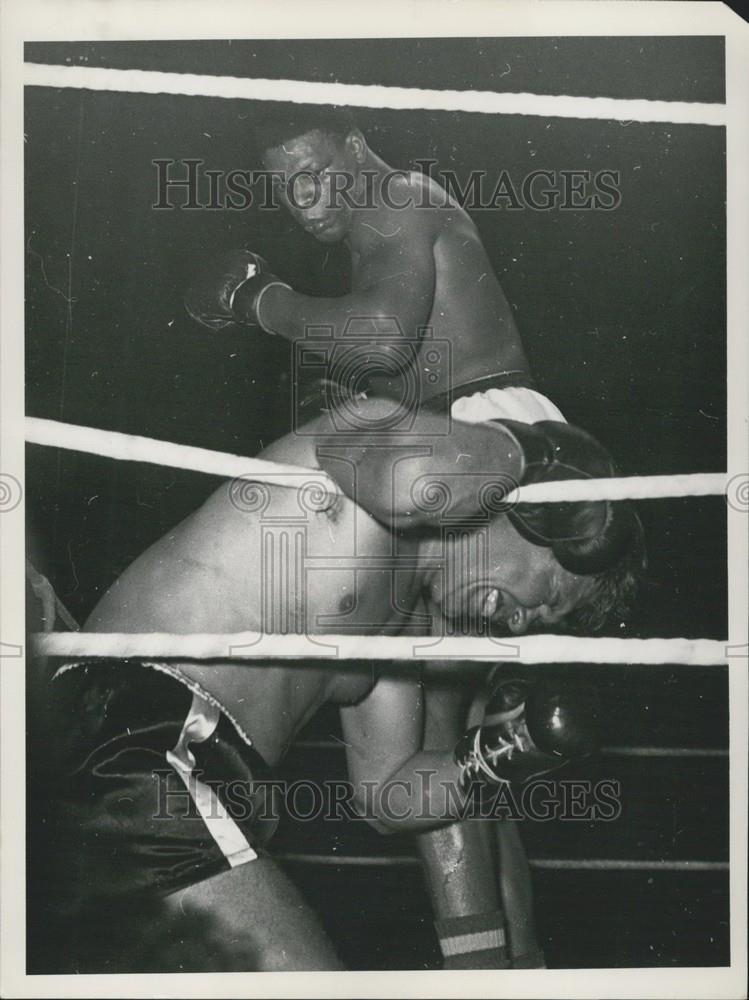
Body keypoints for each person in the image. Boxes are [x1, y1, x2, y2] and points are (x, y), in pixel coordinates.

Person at [182, 104, 609, 968]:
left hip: (476, 467)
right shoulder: (393, 218)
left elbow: (379, 340)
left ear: (355, 146)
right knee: (464, 764)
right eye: (283, 186)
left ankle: (480, 975)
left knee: (430, 743)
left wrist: (260, 300)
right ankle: (516, 968)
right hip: (483, 456)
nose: (302, 200)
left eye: (313, 171)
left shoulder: (395, 196)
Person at [40, 390, 643, 971]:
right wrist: (540, 456)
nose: (518, 622)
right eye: (548, 598)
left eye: (538, 625)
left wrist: (504, 752)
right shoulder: (374, 444)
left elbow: (388, 794)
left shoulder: (401, 633)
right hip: (132, 733)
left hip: (198, 785)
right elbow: (400, 483)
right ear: (538, 516)